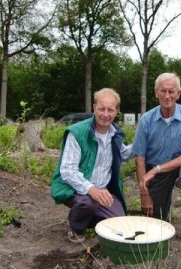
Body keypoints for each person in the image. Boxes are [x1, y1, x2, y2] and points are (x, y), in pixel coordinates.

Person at [51, 88, 133, 243]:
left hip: (101, 189)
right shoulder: (77, 132)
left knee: (119, 220)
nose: (105, 114)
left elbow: (124, 154)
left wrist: (142, 144)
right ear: (94, 107)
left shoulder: (115, 133)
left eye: (110, 110)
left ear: (117, 111)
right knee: (87, 202)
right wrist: (91, 189)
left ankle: (89, 219)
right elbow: (67, 170)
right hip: (74, 189)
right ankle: (76, 228)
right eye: (101, 109)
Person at [132, 72, 181, 249]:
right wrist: (145, 195)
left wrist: (156, 169)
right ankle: (163, 211)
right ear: (156, 92)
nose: (167, 96)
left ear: (178, 94)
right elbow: (139, 158)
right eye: (163, 91)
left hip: (179, 168)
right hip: (156, 173)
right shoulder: (146, 119)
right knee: (157, 224)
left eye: (171, 91)